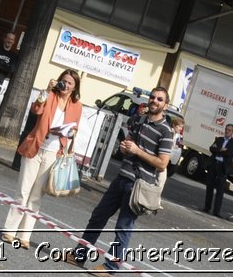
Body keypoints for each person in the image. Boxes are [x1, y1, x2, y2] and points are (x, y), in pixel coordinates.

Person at [72, 85, 173, 271]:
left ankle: (111, 268)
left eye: (160, 99)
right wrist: (125, 148)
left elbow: (162, 163)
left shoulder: (166, 131)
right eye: (153, 97)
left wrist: (137, 151)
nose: (154, 101)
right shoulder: (138, 120)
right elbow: (125, 146)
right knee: (98, 216)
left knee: (123, 227)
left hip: (138, 184)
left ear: (165, 105)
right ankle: (79, 255)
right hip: (121, 177)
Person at [2, 69, 82, 249]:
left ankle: (24, 236)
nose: (66, 85)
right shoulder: (51, 96)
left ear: (75, 87)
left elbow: (75, 129)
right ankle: (9, 231)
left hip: (55, 153)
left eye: (70, 83)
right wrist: (46, 91)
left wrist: (68, 131)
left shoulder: (77, 105)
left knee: (37, 195)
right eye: (64, 81)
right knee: (23, 191)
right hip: (36, 147)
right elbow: (36, 109)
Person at [204, 121, 233, 217]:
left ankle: (216, 211)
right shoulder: (219, 139)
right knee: (209, 187)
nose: (227, 132)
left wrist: (218, 150)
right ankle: (207, 207)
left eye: (229, 130)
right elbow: (211, 148)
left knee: (220, 190)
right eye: (226, 130)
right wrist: (220, 150)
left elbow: (229, 153)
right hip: (214, 164)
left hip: (223, 168)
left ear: (232, 132)